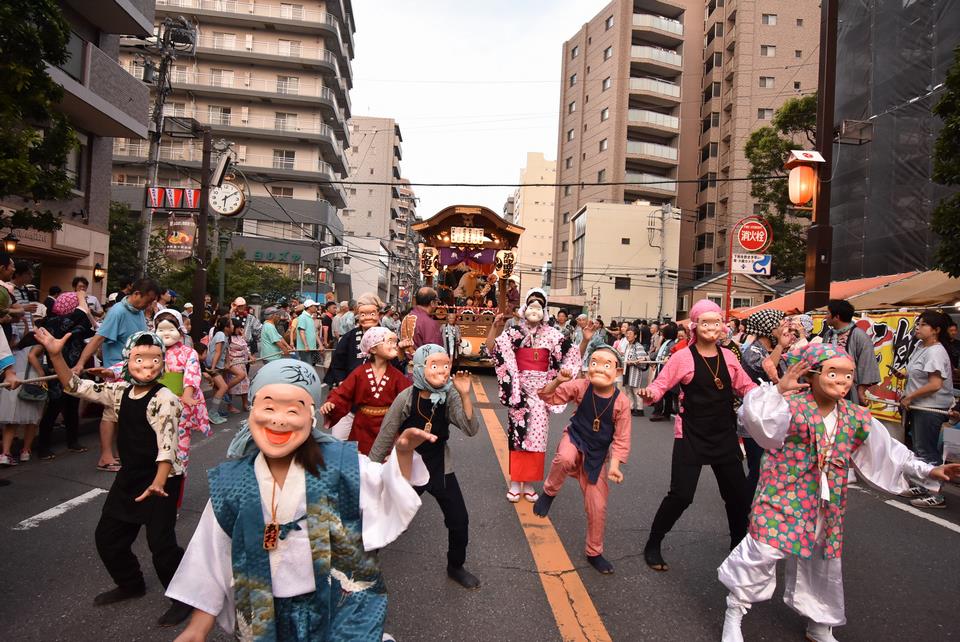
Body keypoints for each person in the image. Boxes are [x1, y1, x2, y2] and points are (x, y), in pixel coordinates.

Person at [166, 358, 435, 641]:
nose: (279, 419)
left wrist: (403, 452)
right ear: (251, 411)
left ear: (311, 417)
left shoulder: (341, 465)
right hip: (264, 613)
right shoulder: (232, 482)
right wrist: (197, 627)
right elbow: (211, 556)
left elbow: (387, 489)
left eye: (293, 410)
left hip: (336, 607)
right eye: (268, 407)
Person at [718, 343, 960, 642]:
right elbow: (755, 420)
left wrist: (927, 470)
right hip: (783, 493)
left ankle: (819, 621)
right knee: (764, 549)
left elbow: (889, 450)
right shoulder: (790, 405)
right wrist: (779, 389)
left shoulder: (856, 416)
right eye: (834, 373)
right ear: (812, 374)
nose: (843, 382)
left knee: (823, 558)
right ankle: (734, 612)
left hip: (826, 500)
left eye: (848, 375)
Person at [35, 327, 191, 627]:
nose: (148, 366)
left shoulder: (166, 398)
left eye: (155, 360)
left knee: (162, 546)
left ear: (163, 363)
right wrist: (55, 355)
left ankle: (185, 597)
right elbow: (74, 386)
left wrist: (158, 483)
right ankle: (131, 584)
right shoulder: (119, 391)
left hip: (163, 479)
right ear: (127, 361)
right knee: (108, 539)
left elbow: (167, 447)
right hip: (131, 476)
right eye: (140, 359)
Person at [638, 300, 756, 572]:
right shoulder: (683, 357)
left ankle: (738, 548)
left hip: (724, 434)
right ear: (695, 326)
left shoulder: (729, 357)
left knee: (737, 496)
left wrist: (768, 395)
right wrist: (650, 394)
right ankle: (653, 543)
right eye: (705, 322)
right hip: (691, 433)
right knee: (681, 495)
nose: (711, 327)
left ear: (722, 326)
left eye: (716, 322)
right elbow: (660, 384)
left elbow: (745, 386)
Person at [369, 345, 481, 589]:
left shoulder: (450, 394)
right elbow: (386, 434)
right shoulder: (407, 396)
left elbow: (471, 430)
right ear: (419, 368)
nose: (441, 371)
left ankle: (455, 566)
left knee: (459, 519)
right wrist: (371, 472)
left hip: (440, 464)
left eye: (445, 366)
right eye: (434, 366)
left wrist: (464, 394)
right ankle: (365, 563)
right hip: (409, 465)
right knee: (385, 514)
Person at [533, 346, 632, 574]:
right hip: (575, 438)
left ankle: (594, 552)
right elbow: (546, 396)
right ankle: (549, 493)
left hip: (597, 456)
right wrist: (557, 381)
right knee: (565, 458)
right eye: (595, 362)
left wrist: (615, 466)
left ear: (618, 371)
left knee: (597, 507)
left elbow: (621, 438)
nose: (599, 368)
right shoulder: (581, 386)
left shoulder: (622, 402)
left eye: (607, 364)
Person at [489, 289, 590, 503]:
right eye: (531, 304)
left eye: (539, 305)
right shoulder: (514, 332)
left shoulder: (553, 335)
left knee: (537, 439)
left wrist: (585, 341)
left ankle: (529, 483)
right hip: (520, 390)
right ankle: (516, 481)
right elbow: (495, 351)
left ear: (544, 311)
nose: (535, 308)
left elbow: (572, 355)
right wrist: (495, 327)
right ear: (525, 308)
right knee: (518, 437)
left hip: (543, 392)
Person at [74, 277, 163, 471]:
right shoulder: (118, 312)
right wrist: (80, 363)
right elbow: (98, 339)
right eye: (147, 300)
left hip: (134, 372)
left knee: (122, 416)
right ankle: (106, 457)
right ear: (136, 294)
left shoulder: (138, 312)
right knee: (111, 414)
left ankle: (115, 454)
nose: (148, 305)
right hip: (115, 371)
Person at [893, 310, 955, 509]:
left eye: (923, 324)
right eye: (917, 324)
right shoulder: (921, 345)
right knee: (920, 449)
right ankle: (923, 484)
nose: (918, 327)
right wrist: (904, 376)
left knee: (927, 450)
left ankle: (936, 495)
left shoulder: (936, 351)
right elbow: (919, 372)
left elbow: (935, 384)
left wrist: (910, 396)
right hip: (920, 406)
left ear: (936, 330)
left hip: (931, 407)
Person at [320, 327, 410, 454]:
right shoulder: (359, 372)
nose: (394, 346)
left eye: (394, 342)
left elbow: (409, 399)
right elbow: (343, 393)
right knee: (361, 462)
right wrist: (332, 402)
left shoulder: (397, 375)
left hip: (388, 426)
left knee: (385, 463)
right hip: (362, 426)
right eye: (389, 342)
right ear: (372, 349)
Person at [34, 292, 96, 460]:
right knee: (54, 408)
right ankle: (43, 447)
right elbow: (82, 312)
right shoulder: (55, 322)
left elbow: (95, 328)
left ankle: (73, 441)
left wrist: (88, 313)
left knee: (72, 406)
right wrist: (81, 296)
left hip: (73, 370)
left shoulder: (76, 321)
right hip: (56, 372)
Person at [739, 309, 793, 497]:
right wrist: (779, 347)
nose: (784, 329)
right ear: (769, 328)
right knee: (757, 468)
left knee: (772, 467)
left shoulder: (779, 351)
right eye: (780, 325)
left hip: (776, 416)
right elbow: (765, 369)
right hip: (756, 417)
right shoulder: (752, 351)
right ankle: (745, 509)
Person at [326, 293, 393, 388]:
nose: (368, 317)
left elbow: (396, 365)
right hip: (353, 390)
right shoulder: (348, 337)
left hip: (382, 389)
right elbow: (337, 364)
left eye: (372, 314)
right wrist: (342, 383)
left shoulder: (388, 336)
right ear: (358, 315)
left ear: (379, 314)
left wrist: (401, 351)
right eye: (363, 314)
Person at [822, 299, 881, 405]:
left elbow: (867, 363)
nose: (825, 316)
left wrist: (861, 389)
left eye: (828, 313)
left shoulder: (859, 336)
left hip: (848, 388)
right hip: (827, 385)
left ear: (837, 317)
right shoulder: (828, 335)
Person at [400, 287, 442, 361]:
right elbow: (435, 351)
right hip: (423, 366)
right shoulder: (429, 323)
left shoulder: (407, 317)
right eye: (436, 302)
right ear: (432, 303)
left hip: (407, 363)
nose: (437, 305)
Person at [648, 322, 679, 422]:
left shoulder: (671, 344)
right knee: (666, 394)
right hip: (661, 369)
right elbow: (657, 354)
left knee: (663, 393)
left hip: (665, 371)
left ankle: (659, 412)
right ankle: (665, 412)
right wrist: (647, 357)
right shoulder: (667, 343)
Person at [204, 316, 232, 423]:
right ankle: (212, 413)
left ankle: (213, 411)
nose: (233, 326)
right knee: (223, 387)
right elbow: (218, 352)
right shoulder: (220, 334)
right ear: (226, 327)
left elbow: (226, 353)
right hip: (213, 366)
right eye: (231, 324)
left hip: (217, 366)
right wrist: (212, 368)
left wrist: (227, 363)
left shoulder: (224, 336)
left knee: (217, 388)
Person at [621, 326, 649, 417]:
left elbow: (643, 360)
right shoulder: (628, 345)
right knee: (628, 390)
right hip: (627, 370)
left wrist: (633, 362)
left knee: (636, 391)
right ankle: (631, 407)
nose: (628, 335)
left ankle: (640, 409)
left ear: (635, 335)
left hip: (634, 371)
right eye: (627, 333)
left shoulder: (638, 346)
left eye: (630, 333)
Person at [225, 319, 251, 413]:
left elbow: (246, 348)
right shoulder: (228, 338)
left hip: (242, 363)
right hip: (233, 363)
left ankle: (245, 404)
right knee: (231, 384)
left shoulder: (241, 337)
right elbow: (226, 351)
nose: (240, 329)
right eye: (238, 327)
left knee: (245, 384)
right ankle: (230, 406)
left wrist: (250, 357)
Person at [295, 299, 320, 366]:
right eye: (314, 306)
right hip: (305, 348)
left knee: (310, 366)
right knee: (307, 367)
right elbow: (301, 332)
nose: (316, 307)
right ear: (309, 307)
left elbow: (314, 333)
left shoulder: (309, 317)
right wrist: (306, 345)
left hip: (311, 347)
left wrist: (320, 345)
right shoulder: (302, 317)